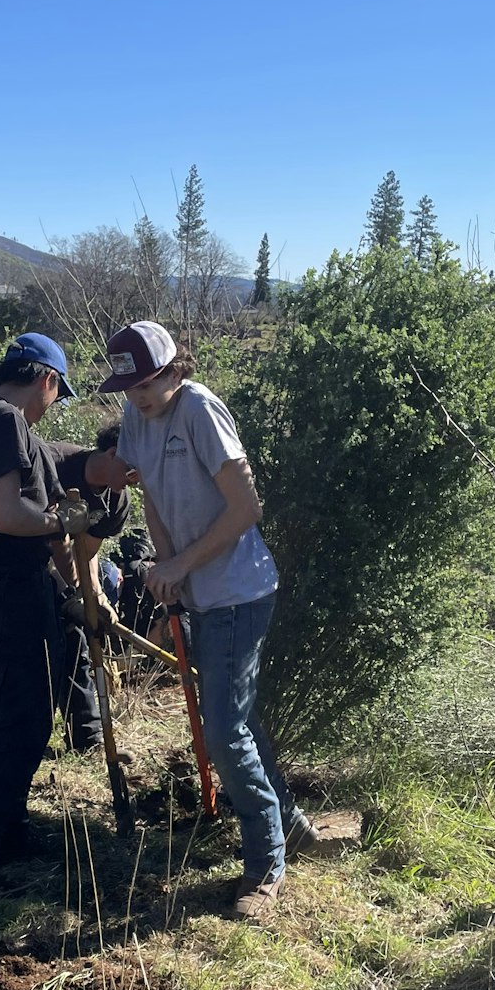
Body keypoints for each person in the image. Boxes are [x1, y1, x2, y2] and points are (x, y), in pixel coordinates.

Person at [99, 320, 317, 919]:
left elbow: (246, 507)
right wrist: (167, 564)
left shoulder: (200, 410)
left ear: (173, 370)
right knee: (235, 716)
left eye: (147, 382)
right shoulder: (137, 419)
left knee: (222, 731)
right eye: (129, 386)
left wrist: (185, 564)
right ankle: (290, 825)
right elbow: (151, 498)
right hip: (198, 592)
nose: (138, 396)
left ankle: (266, 860)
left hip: (240, 592)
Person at [0, 334, 88, 896]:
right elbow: (8, 516)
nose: (53, 403)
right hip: (11, 591)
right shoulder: (6, 424)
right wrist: (64, 524)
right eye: (57, 392)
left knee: (5, 708)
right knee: (25, 721)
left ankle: (8, 825)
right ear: (46, 380)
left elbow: (13, 509)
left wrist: (74, 589)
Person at [43, 423, 134, 752]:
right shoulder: (55, 464)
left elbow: (87, 552)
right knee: (42, 652)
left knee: (79, 640)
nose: (134, 481)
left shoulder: (117, 500)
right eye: (133, 470)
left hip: (66, 571)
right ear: (113, 455)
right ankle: (26, 739)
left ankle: (88, 739)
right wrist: (77, 594)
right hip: (25, 564)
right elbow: (58, 545)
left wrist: (95, 596)